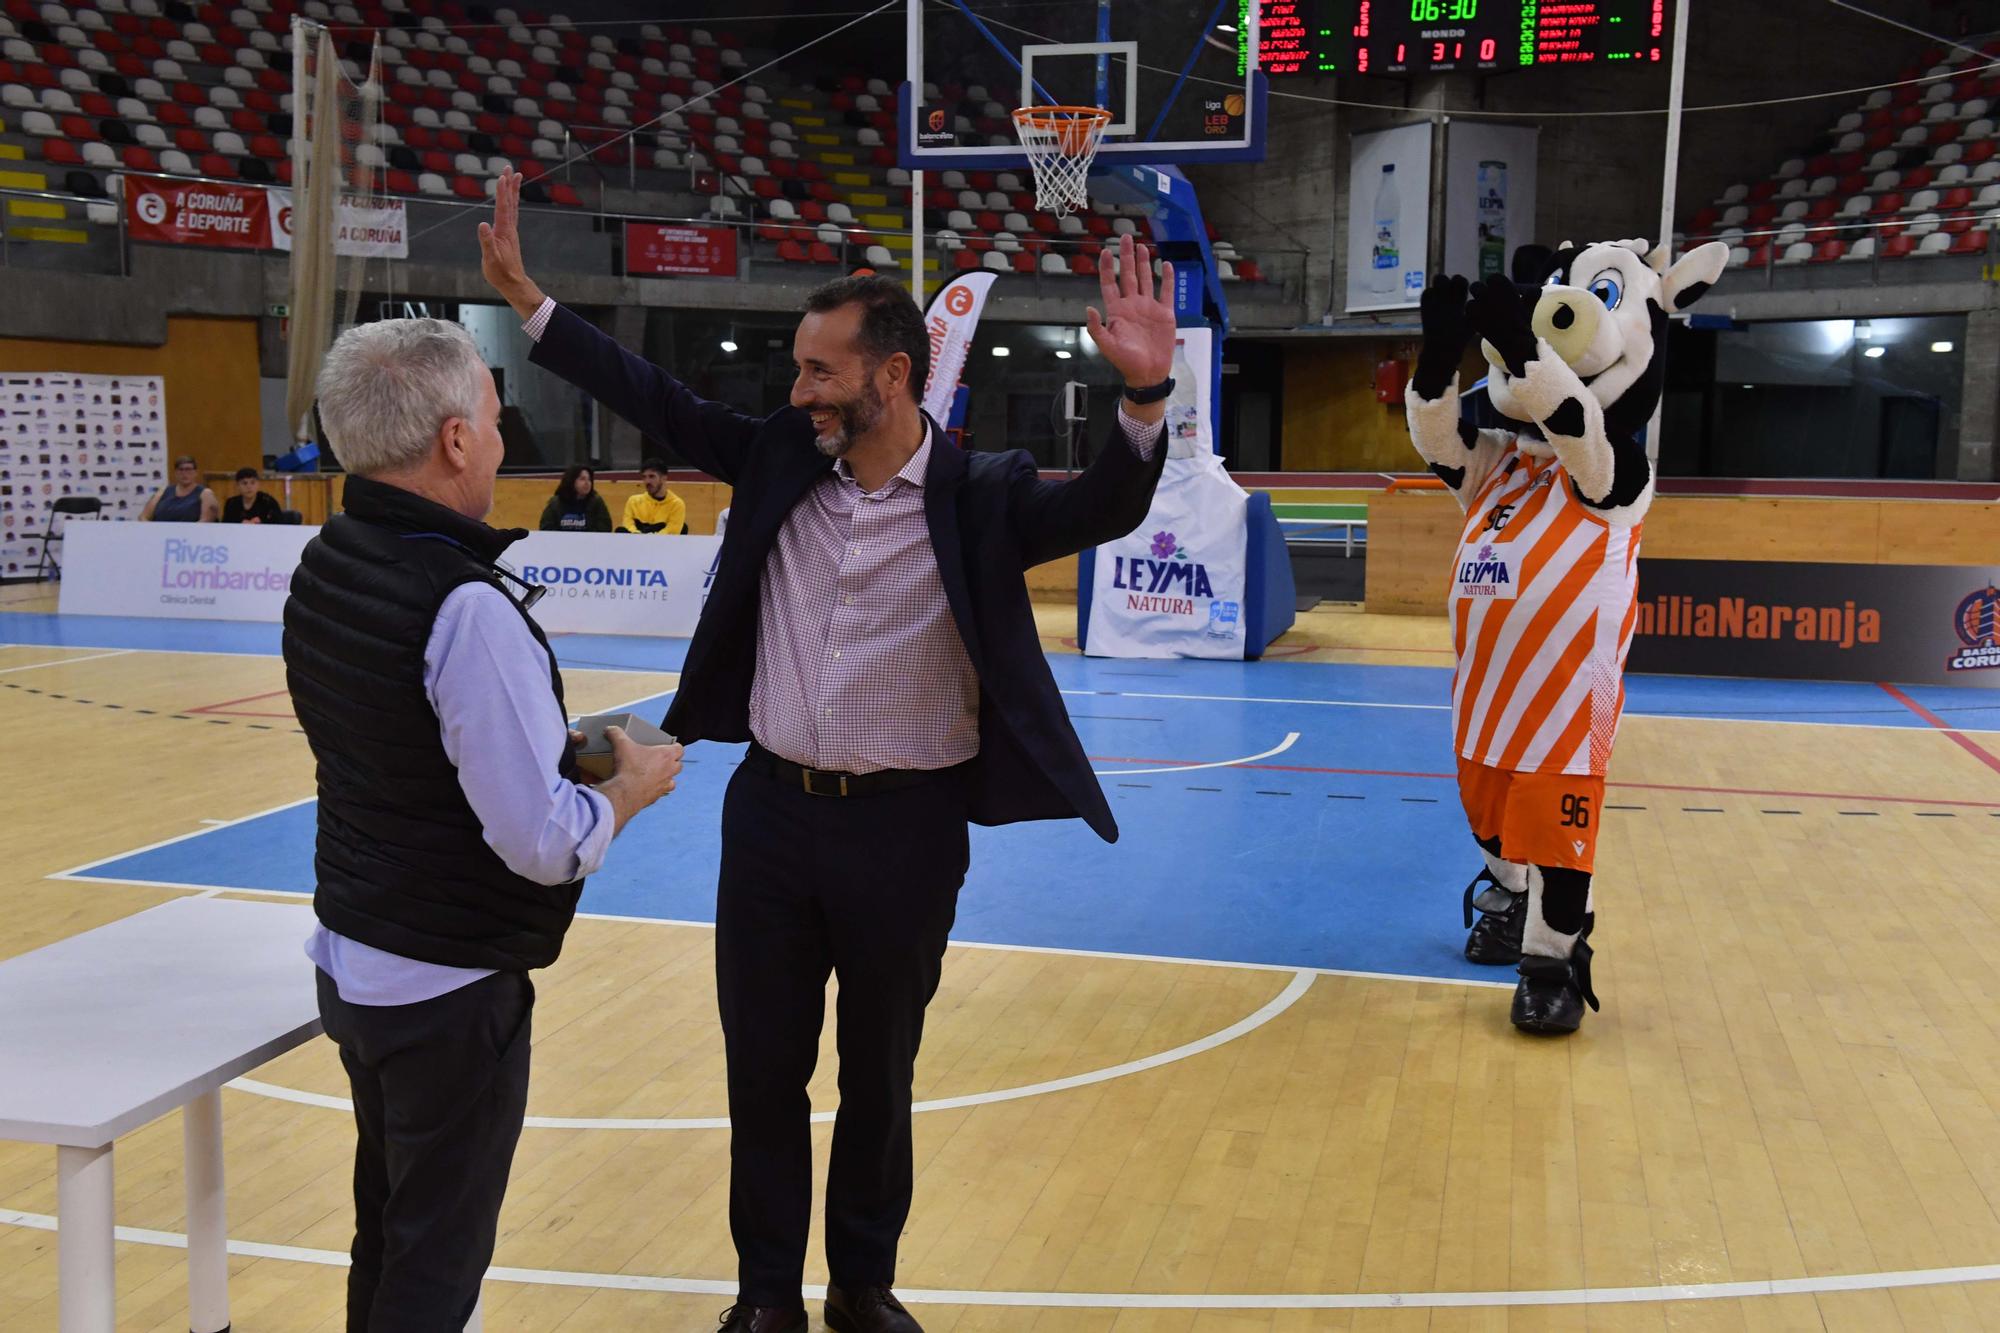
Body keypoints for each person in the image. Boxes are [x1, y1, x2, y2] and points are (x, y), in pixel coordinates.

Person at [479, 167, 1175, 1333]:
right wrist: (532, 304)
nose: (794, 389)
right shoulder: (776, 459)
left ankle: (861, 1289)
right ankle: (764, 1300)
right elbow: (652, 393)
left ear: (890, 376)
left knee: (876, 1078)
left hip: (906, 828)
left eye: (818, 371)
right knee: (762, 1075)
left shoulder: (979, 496)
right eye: (796, 368)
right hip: (769, 817)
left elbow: (1106, 502)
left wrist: (1146, 392)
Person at [282, 317, 686, 1330]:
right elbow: (542, 844)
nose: (503, 444)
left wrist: (566, 748)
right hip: (445, 983)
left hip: (356, 955)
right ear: (455, 440)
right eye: (496, 421)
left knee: (389, 1231)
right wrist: (627, 787)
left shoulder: (328, 558)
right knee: (434, 1263)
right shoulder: (465, 606)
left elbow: (399, 747)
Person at [619, 455, 688, 533]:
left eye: (652, 476)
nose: (647, 481)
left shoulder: (676, 504)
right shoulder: (633, 501)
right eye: (644, 477)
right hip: (636, 543)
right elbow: (628, 525)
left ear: (663, 478)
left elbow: (671, 531)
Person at [141, 455, 220, 522]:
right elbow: (143, 517)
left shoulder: (205, 493)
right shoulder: (162, 491)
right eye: (181, 470)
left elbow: (206, 521)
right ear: (175, 473)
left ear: (196, 472)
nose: (184, 473)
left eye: (188, 469)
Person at [538, 463, 613, 531]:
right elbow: (546, 529)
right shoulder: (555, 503)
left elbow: (604, 529)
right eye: (582, 479)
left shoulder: (596, 502)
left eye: (589, 479)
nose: (587, 483)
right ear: (571, 480)